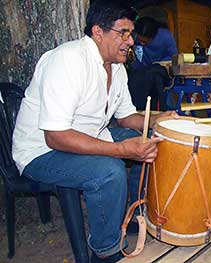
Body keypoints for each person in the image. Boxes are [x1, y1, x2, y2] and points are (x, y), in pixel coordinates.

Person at [12, 1, 176, 262]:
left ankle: (131, 215)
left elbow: (126, 118)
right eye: (123, 32)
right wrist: (120, 150)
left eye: (131, 33)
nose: (131, 41)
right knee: (108, 172)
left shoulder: (117, 68)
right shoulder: (68, 60)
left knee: (149, 141)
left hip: (86, 136)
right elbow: (55, 136)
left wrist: (158, 119)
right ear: (98, 32)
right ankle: (105, 250)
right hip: (40, 152)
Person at [128, 16, 178, 110]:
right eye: (140, 40)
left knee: (155, 73)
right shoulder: (134, 36)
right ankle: (136, 109)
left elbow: (175, 58)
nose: (142, 43)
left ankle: (162, 109)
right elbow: (135, 60)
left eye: (145, 41)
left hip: (164, 69)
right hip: (145, 70)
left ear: (154, 36)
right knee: (136, 76)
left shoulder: (165, 36)